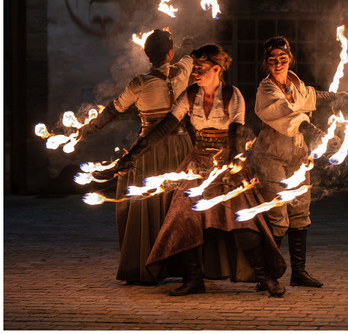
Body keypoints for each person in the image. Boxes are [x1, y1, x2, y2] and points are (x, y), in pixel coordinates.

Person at [102, 43, 287, 297]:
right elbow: (165, 126)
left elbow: (236, 132)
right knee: (183, 216)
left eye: (200, 69)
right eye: (195, 69)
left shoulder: (233, 95)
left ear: (216, 69)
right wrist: (132, 155)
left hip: (225, 164)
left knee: (241, 220)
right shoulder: (189, 94)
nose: (195, 73)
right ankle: (193, 278)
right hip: (196, 162)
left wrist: (231, 164)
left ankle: (264, 277)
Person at [81, 29, 194, 284]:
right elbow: (190, 53)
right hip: (181, 146)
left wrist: (88, 128)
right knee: (179, 204)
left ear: (146, 55)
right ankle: (186, 267)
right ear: (170, 53)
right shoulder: (184, 70)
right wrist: (188, 42)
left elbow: (114, 109)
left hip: (148, 150)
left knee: (140, 202)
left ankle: (144, 267)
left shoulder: (139, 82)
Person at [250, 36, 348, 289]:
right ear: (266, 63)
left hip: (297, 154)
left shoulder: (295, 83)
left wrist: (338, 97)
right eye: (272, 60)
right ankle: (268, 276)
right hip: (271, 155)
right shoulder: (266, 89)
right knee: (277, 215)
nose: (278, 63)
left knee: (299, 212)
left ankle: (299, 272)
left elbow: (311, 97)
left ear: (290, 59)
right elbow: (288, 113)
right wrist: (314, 131)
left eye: (282, 59)